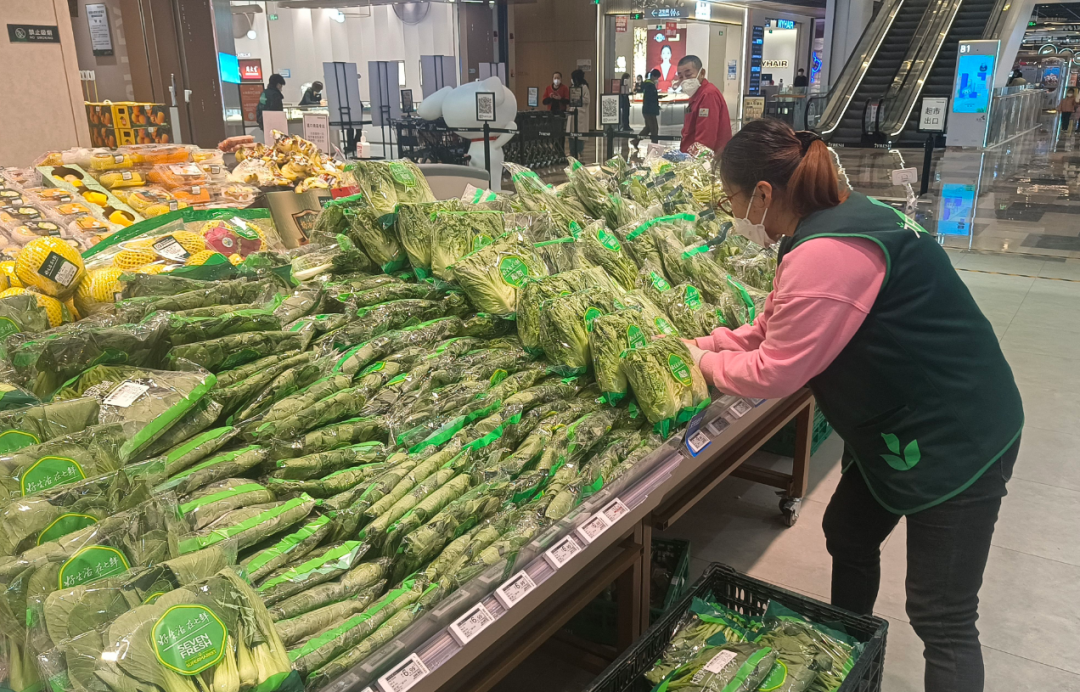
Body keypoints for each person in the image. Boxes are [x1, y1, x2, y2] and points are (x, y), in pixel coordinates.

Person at [685, 118, 1023, 692]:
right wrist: (704, 344)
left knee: (941, 615)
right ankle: (849, 653)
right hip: (897, 421)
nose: (733, 214)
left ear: (763, 193)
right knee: (848, 531)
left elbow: (777, 370)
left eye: (731, 200)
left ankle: (863, 653)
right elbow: (772, 326)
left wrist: (702, 368)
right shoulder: (831, 222)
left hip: (955, 433)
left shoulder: (829, 252)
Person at [674, 55, 731, 154]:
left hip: (706, 157)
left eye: (688, 75)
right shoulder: (696, 95)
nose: (684, 80)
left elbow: (706, 137)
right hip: (691, 154)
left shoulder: (708, 95)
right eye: (681, 77)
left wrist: (697, 160)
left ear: (702, 73)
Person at [632, 68, 661, 148]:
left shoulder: (648, 85)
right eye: (657, 77)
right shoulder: (649, 85)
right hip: (649, 110)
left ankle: (635, 141)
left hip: (648, 109)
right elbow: (650, 98)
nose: (657, 80)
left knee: (648, 128)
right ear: (654, 76)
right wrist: (656, 103)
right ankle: (654, 145)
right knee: (654, 128)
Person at [566, 69, 591, 157]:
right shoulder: (573, 87)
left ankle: (579, 151)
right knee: (571, 133)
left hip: (581, 113)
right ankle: (572, 151)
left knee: (579, 135)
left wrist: (578, 98)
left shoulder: (584, 87)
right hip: (572, 112)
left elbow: (587, 100)